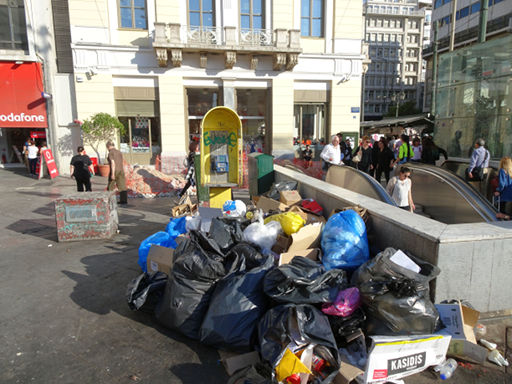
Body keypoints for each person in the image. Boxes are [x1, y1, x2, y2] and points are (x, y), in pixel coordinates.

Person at [106, 140, 128, 205]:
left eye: (107, 147)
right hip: (121, 170)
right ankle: (123, 201)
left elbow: (113, 163)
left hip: (114, 170)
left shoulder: (111, 153)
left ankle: (110, 200)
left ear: (108, 146)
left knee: (110, 186)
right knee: (122, 186)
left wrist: (112, 174)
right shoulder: (119, 152)